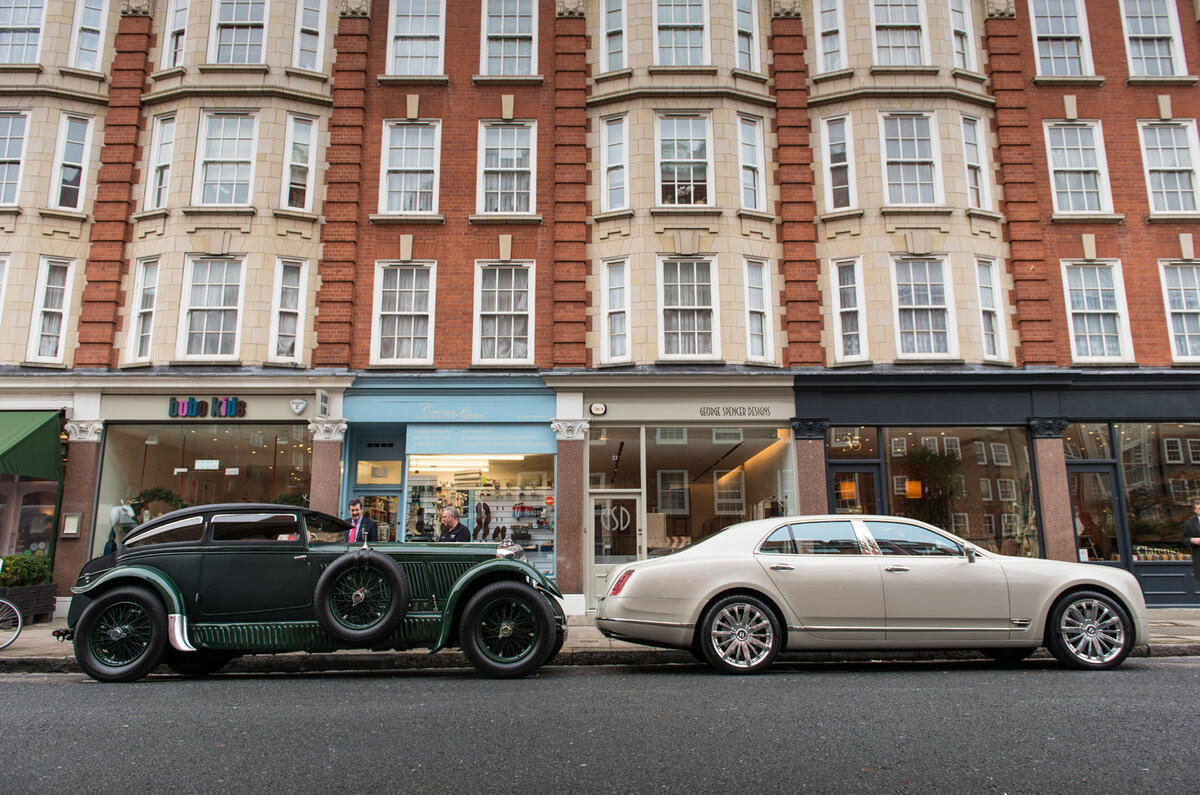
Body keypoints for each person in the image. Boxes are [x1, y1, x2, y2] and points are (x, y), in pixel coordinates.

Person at [1183, 497, 1200, 580]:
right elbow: (1184, 540)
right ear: (1195, 511)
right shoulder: (1189, 523)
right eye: (1199, 509)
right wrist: (1192, 540)